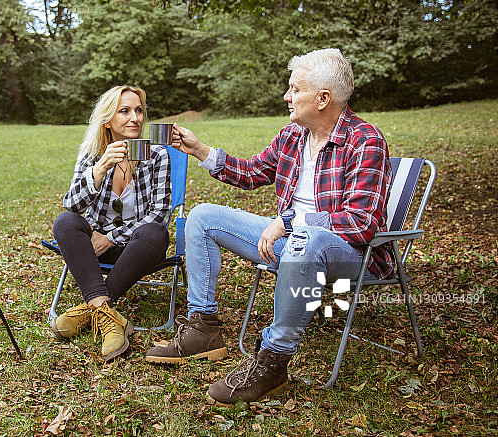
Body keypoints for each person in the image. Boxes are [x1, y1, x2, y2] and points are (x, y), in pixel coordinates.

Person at [145, 48, 392, 405]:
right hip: (291, 242)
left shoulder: (365, 140)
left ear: (323, 99)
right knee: (202, 217)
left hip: (349, 254)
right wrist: (199, 150)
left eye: (295, 89)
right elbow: (250, 173)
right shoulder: (293, 135)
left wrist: (290, 222)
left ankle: (273, 362)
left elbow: (361, 223)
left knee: (307, 240)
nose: (286, 96)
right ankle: (202, 328)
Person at [52, 85, 172, 360]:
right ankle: (108, 316)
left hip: (136, 248)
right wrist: (99, 169)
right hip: (93, 245)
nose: (135, 118)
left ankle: (90, 310)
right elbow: (72, 205)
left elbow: (159, 214)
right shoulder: (92, 155)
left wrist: (110, 238)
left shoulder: (156, 154)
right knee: (65, 222)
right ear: (107, 120)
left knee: (155, 233)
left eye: (139, 111)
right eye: (125, 111)